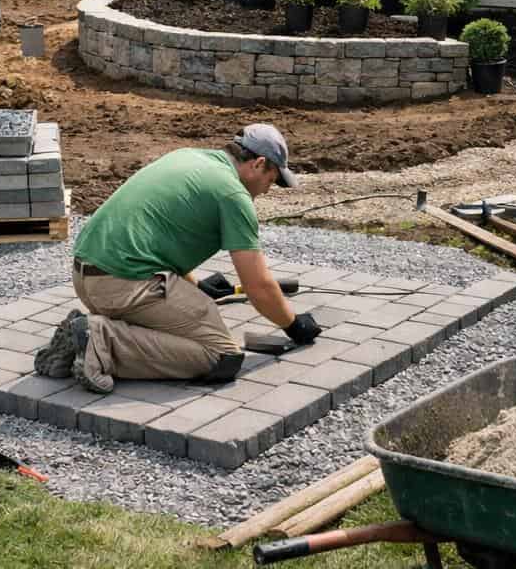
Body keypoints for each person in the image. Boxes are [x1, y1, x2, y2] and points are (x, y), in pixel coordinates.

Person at [33, 124, 320, 394]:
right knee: (221, 355)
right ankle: (101, 339)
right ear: (258, 164)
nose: (267, 189)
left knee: (181, 324)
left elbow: (153, 235)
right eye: (270, 180)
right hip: (122, 286)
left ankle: (80, 338)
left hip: (87, 276)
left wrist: (197, 287)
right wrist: (293, 325)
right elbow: (258, 287)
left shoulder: (187, 157)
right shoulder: (233, 194)